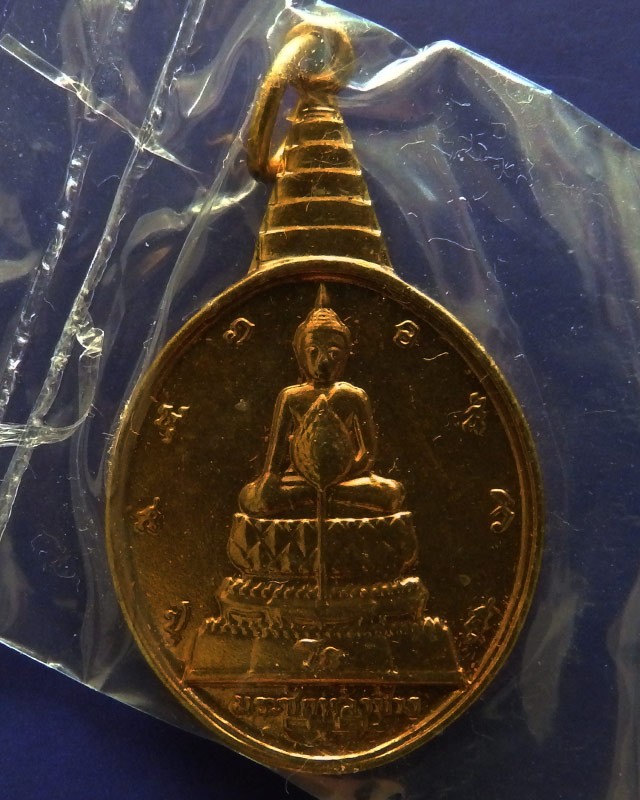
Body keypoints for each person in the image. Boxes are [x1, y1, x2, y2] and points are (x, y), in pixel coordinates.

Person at [239, 285, 405, 518]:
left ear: (345, 356)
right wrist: (271, 480)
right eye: (314, 352)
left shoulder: (353, 396)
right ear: (301, 355)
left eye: (334, 353)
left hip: (345, 478)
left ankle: (323, 495)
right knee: (253, 497)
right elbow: (273, 463)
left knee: (392, 492)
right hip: (299, 479)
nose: (324, 362)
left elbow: (367, 454)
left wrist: (340, 473)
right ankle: (322, 495)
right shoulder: (291, 396)